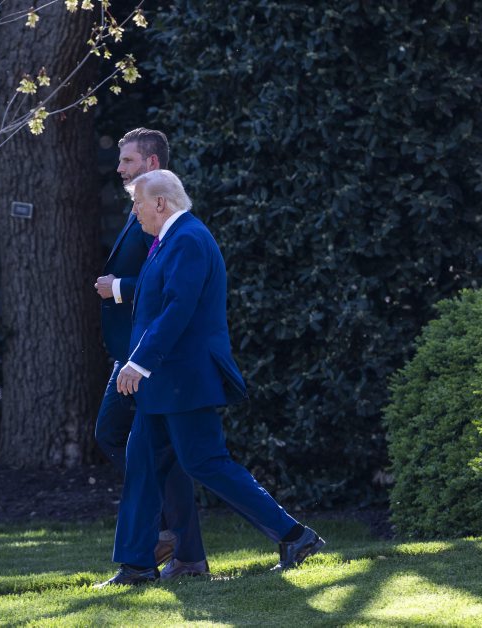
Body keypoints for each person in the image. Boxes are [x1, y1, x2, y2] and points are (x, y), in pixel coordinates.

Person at [96, 170, 325, 587]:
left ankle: (296, 537)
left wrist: (139, 362)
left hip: (183, 379)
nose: (135, 211)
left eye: (138, 203)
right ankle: (136, 566)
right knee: (142, 466)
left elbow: (177, 309)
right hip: (163, 383)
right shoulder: (170, 239)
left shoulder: (188, 238)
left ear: (160, 203)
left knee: (205, 462)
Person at [93, 129, 206, 576]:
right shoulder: (140, 207)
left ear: (152, 163)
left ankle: (164, 537)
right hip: (133, 351)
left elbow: (172, 284)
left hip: (145, 356)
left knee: (119, 436)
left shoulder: (165, 216)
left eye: (128, 161)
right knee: (159, 451)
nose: (119, 168)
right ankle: (185, 551)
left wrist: (119, 288)